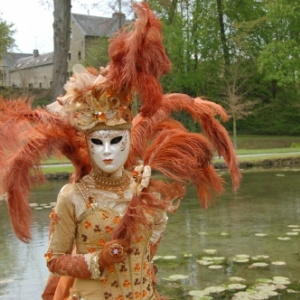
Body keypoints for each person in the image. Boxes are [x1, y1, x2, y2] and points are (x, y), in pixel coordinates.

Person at [0, 2, 241, 299]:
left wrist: (154, 226)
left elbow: (145, 254)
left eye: (116, 141)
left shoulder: (142, 184)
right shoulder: (73, 196)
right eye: (97, 143)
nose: (107, 152)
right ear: (87, 144)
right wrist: (97, 260)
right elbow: (55, 259)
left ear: (128, 140)